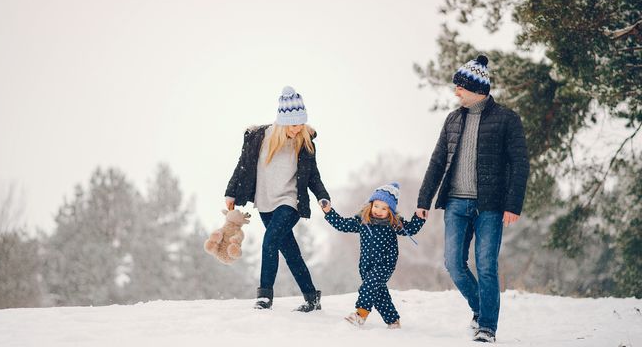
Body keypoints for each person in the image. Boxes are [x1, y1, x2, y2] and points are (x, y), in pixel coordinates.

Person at [416, 55, 530, 343]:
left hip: (490, 206)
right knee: (454, 263)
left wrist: (512, 204)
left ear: (477, 89)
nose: (456, 92)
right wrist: (423, 200)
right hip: (455, 203)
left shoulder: (507, 119)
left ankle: (487, 327)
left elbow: (520, 163)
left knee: (486, 266)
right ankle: (481, 309)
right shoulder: (453, 119)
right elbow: (438, 160)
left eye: (459, 87)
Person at [225, 86, 330, 312]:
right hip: (265, 203)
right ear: (282, 122)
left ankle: (264, 296)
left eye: (301, 123)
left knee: (270, 241)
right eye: (294, 124)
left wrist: (322, 197)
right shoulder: (258, 138)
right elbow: (242, 167)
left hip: (290, 201)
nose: (298, 128)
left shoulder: (305, 141)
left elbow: (313, 176)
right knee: (290, 251)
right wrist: (230, 192)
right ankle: (312, 298)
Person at [320, 183, 425, 328]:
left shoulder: (393, 223)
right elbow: (342, 224)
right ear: (371, 204)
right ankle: (393, 321)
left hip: (385, 264)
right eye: (376, 206)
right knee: (379, 294)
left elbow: (411, 229)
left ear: (391, 211)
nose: (379, 211)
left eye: (384, 208)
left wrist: (419, 217)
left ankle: (360, 314)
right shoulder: (362, 221)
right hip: (366, 265)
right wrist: (328, 211)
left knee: (369, 286)